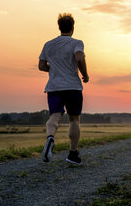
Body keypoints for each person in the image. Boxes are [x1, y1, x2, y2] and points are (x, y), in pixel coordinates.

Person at [38, 13, 89, 164]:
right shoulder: (76, 43)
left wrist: (55, 70)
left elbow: (41, 66)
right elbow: (79, 57)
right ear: (72, 28)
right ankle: (73, 154)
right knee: (74, 119)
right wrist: (85, 75)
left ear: (59, 27)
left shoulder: (48, 44)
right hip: (72, 86)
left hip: (54, 87)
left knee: (54, 115)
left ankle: (50, 138)